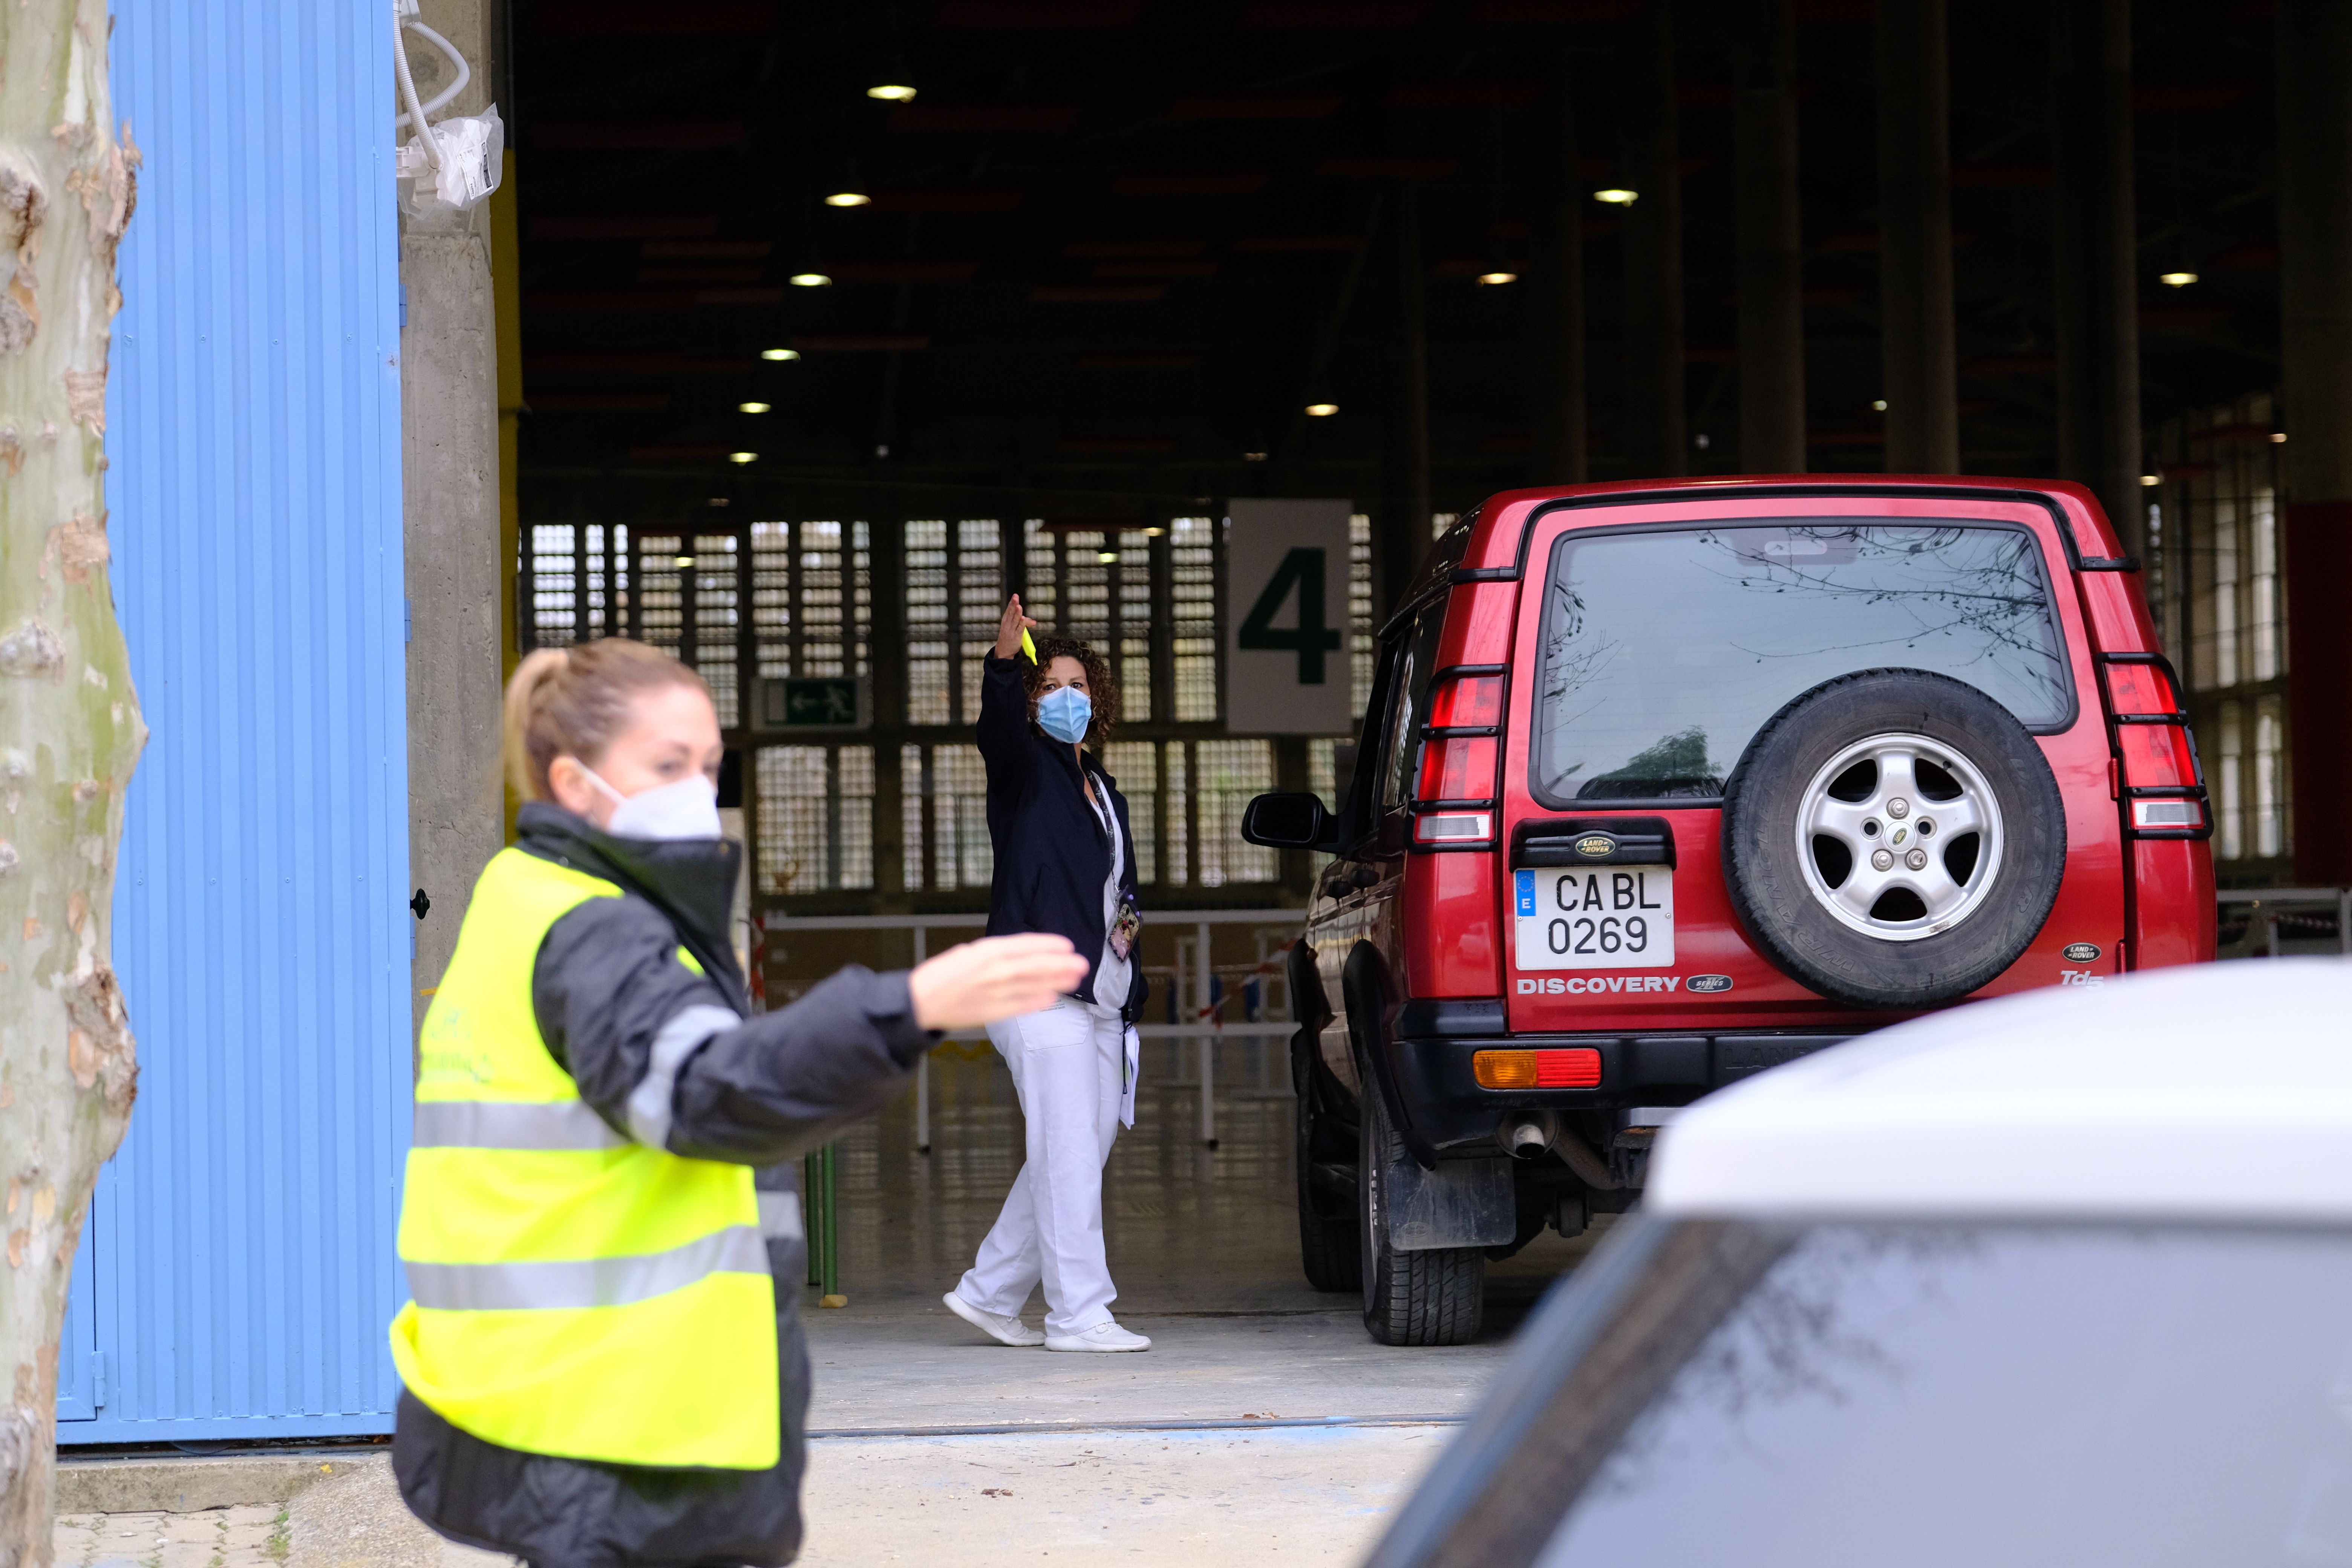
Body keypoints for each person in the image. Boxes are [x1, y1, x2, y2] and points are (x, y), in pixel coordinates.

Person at [390, 638, 1086, 1568]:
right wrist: (907, 1007)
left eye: (708, 764)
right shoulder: (595, 932)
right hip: (605, 1428)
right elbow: (705, 1088)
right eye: (667, 764)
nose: (696, 788)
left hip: (558, 1410)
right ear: (572, 781)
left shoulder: (528, 896)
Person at [942, 596, 1150, 1354]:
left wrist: (1130, 985)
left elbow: (1116, 896)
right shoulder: (1024, 769)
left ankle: (990, 1292)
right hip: (1036, 989)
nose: (1068, 696)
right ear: (1033, 703)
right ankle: (1079, 1315)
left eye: (1078, 685)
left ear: (1098, 698)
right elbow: (996, 731)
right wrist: (1004, 666)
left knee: (1073, 1155)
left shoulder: (1103, 789)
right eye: (1051, 686)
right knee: (1067, 1155)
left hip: (1098, 998)